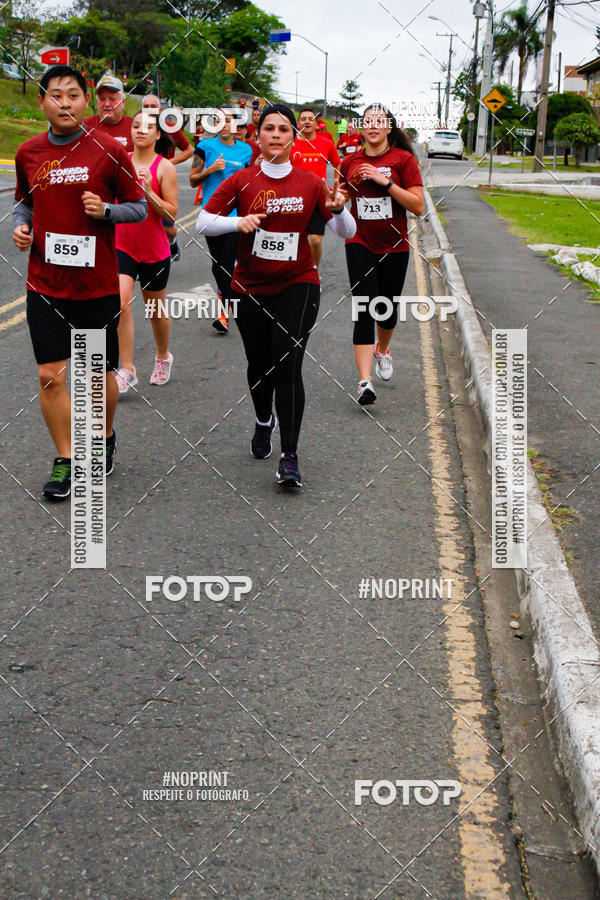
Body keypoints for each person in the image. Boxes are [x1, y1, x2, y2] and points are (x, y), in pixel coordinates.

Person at [196, 104, 356, 489]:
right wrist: (238, 222)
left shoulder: (310, 183)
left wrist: (339, 211)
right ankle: (263, 419)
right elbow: (202, 222)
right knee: (259, 364)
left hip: (298, 282)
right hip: (249, 286)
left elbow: (346, 232)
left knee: (287, 365)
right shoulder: (243, 180)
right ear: (258, 136)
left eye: (284, 129)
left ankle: (289, 455)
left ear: (293, 138)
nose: (276, 135)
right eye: (269, 128)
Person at [13, 65, 147, 500]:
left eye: (73, 94)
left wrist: (106, 211)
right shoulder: (28, 153)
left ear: (85, 100)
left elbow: (138, 207)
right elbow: (24, 204)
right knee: (49, 375)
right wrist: (21, 227)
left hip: (96, 286)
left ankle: (104, 435)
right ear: (42, 102)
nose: (65, 103)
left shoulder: (108, 150)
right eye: (56, 95)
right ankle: (67, 458)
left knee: (95, 377)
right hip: (45, 284)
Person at [339, 103, 424, 406]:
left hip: (394, 246)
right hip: (359, 241)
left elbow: (417, 206)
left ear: (389, 128)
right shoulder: (349, 162)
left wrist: (385, 182)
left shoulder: (403, 160)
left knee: (386, 309)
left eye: (379, 121)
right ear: (362, 128)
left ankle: (382, 349)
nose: (373, 125)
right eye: (368, 121)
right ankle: (364, 381)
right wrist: (335, 201)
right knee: (364, 307)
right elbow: (340, 201)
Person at [114, 110, 178, 394]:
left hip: (154, 250)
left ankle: (163, 356)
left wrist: (149, 191)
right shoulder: (120, 162)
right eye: (136, 125)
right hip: (122, 245)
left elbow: (172, 215)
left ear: (157, 134)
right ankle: (127, 368)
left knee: (155, 311)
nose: (141, 130)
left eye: (148, 126)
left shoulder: (165, 168)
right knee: (120, 304)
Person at [189, 110, 253, 334]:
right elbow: (192, 180)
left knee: (226, 263)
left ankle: (224, 314)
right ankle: (225, 295)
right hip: (211, 215)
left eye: (227, 120)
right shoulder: (205, 147)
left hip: (235, 215)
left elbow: (250, 181)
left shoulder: (246, 150)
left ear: (236, 124)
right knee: (218, 265)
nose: (223, 124)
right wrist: (211, 169)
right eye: (218, 121)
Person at [141, 95, 192, 262]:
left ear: (160, 110)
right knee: (143, 221)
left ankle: (172, 243)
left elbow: (189, 150)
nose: (149, 109)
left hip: (164, 181)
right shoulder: (137, 127)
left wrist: (169, 163)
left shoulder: (171, 128)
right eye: (146, 106)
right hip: (143, 179)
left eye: (153, 106)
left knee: (168, 226)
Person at [291, 108, 341, 267]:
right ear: (298, 123)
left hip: (318, 198)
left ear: (316, 123)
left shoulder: (326, 144)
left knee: (315, 240)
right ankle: (294, 273)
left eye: (310, 119)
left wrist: (337, 183)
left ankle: (313, 271)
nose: (307, 121)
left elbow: (337, 163)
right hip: (295, 199)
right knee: (294, 240)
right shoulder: (290, 144)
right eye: (303, 119)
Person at [84, 74, 133, 150]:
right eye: (102, 99)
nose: (107, 104)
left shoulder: (135, 127)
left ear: (123, 102)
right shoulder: (84, 127)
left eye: (112, 99)